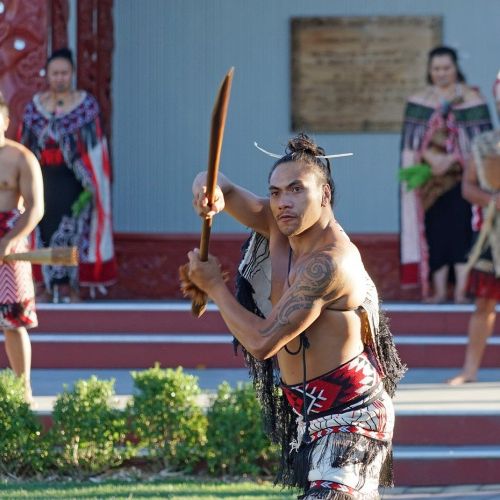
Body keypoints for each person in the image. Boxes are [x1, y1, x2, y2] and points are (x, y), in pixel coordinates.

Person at [183, 134, 406, 499]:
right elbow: (215, 180)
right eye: (274, 192)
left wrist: (214, 287)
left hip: (353, 417)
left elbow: (261, 342)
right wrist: (209, 192)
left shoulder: (329, 263)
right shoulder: (279, 225)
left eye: (296, 190)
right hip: (310, 416)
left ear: (325, 195)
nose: (282, 202)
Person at [19, 47, 116, 303]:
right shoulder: (35, 109)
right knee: (42, 231)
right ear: (47, 75)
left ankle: (71, 286)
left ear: (71, 74)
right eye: (55, 73)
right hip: (43, 182)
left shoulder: (86, 107)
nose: (60, 78)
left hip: (75, 183)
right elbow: (25, 147)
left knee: (72, 232)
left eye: (64, 73)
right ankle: (43, 285)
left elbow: (96, 150)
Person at [399, 46, 492, 303]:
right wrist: (430, 157)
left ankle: (462, 291)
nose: (441, 73)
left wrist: (452, 158)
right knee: (435, 234)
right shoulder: (419, 100)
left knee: (462, 233)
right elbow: (411, 144)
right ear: (430, 71)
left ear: (455, 68)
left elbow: (482, 141)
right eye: (436, 68)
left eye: (446, 68)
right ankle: (438, 291)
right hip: (429, 183)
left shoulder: (473, 99)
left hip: (464, 181)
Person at [448, 72, 500, 386]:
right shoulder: (483, 144)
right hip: (490, 236)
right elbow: (468, 188)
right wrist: (492, 198)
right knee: (483, 304)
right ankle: (469, 371)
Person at [0, 92, 44, 403]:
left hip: (10, 237)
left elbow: (35, 207)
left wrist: (10, 240)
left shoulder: (21, 158)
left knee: (13, 320)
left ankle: (23, 388)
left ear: (4, 121)